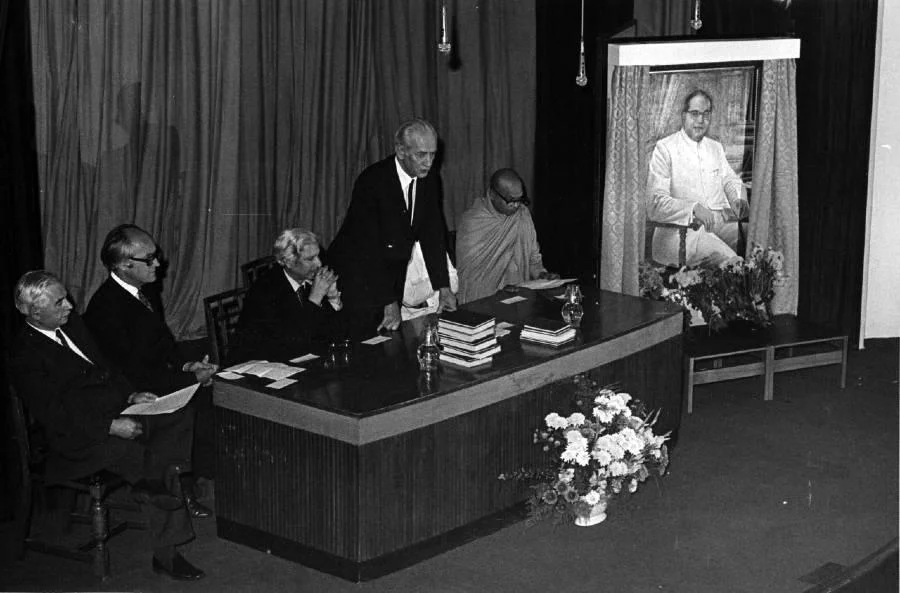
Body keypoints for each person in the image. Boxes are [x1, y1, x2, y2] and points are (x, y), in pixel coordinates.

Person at [9, 271, 206, 581]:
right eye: (59, 303)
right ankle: (166, 548)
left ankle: (164, 481)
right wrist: (109, 426)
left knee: (178, 413)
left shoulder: (71, 325)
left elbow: (108, 368)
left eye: (66, 298)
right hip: (78, 439)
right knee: (147, 457)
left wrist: (131, 394)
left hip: (116, 410)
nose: (69, 306)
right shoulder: (25, 354)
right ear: (34, 312)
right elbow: (56, 415)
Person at [83, 224, 216, 518]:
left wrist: (186, 365)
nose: (158, 264)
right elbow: (132, 373)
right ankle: (177, 488)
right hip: (129, 394)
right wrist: (188, 379)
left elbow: (163, 342)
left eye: (156, 256)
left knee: (214, 395)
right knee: (188, 411)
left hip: (153, 379)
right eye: (149, 259)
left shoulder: (145, 288)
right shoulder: (106, 309)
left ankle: (191, 477)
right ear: (124, 265)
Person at [328, 118, 456, 337]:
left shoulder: (430, 180)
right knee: (365, 341)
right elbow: (367, 248)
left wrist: (443, 287)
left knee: (391, 343)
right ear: (401, 151)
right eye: (421, 155)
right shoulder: (373, 181)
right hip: (357, 275)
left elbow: (432, 235)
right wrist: (388, 301)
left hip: (390, 275)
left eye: (432, 154)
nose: (428, 162)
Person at [646, 89, 750, 267]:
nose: (701, 120)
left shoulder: (715, 147)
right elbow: (655, 203)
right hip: (681, 233)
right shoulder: (665, 148)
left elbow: (729, 179)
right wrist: (693, 208)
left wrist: (737, 199)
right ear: (683, 116)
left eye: (706, 114)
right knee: (733, 264)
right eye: (694, 114)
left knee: (755, 240)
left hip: (717, 223)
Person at [230, 228, 342, 363]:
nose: (319, 263)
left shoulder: (309, 281)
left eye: (318, 256)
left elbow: (333, 334)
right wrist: (314, 299)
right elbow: (290, 345)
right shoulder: (265, 291)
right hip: (264, 364)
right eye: (310, 259)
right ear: (289, 262)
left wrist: (333, 298)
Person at [455, 168, 559, 304]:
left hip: (519, 299)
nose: (516, 205)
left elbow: (533, 260)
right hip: (483, 304)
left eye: (519, 200)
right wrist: (499, 292)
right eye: (510, 200)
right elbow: (470, 279)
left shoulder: (522, 215)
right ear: (492, 194)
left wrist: (542, 275)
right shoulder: (473, 221)